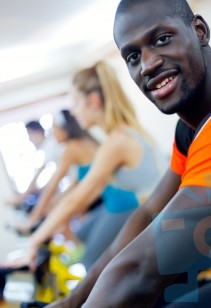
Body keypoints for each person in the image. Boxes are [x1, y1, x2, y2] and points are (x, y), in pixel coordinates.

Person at [0, 0, 211, 308]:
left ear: (200, 31)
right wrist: (74, 300)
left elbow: (143, 272)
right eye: (133, 56)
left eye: (161, 40)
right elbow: (150, 212)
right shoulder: (193, 127)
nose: (149, 63)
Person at [5, 60, 166, 270]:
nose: (73, 111)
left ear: (93, 100)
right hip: (157, 224)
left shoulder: (117, 141)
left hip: (163, 232)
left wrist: (34, 240)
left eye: (75, 103)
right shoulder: (120, 133)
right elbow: (79, 194)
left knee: (92, 266)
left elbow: (76, 198)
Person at [12, 109, 99, 235]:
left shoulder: (71, 148)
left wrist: (34, 217)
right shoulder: (81, 142)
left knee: (61, 220)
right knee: (59, 213)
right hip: (95, 194)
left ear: (64, 129)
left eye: (54, 129)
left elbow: (54, 182)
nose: (52, 133)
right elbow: (74, 180)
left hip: (98, 198)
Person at [7, 120, 63, 210]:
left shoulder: (50, 145)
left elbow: (39, 173)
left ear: (39, 132)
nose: (29, 139)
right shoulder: (47, 146)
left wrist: (21, 197)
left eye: (30, 135)